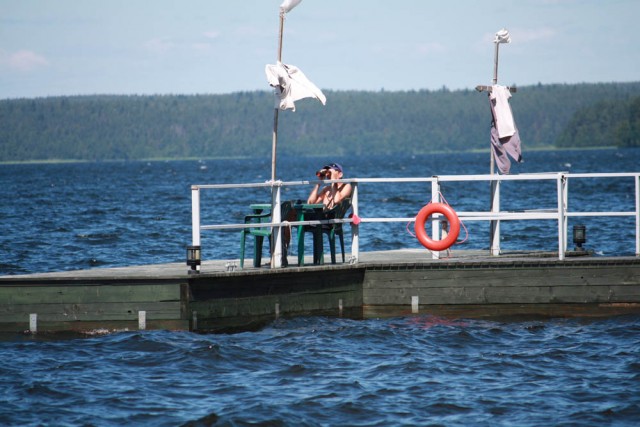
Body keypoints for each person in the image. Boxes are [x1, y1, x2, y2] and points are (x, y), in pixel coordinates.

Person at [281, 162, 352, 266]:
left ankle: (282, 254)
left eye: (331, 172)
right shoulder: (326, 189)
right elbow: (310, 202)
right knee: (287, 219)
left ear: (340, 174)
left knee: (290, 215)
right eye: (327, 173)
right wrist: (318, 183)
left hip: (331, 220)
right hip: (320, 217)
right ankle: (282, 254)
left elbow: (337, 200)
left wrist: (333, 181)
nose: (328, 175)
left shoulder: (347, 186)